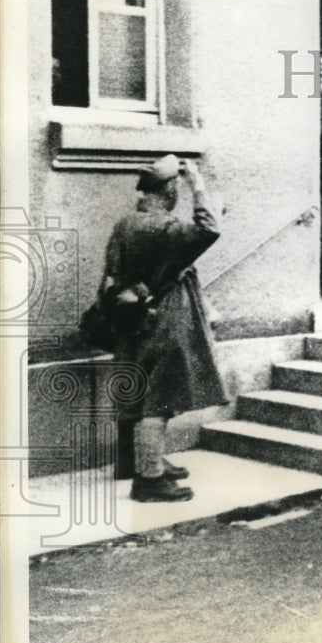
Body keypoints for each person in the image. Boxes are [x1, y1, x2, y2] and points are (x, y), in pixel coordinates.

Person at [101, 155, 228, 502]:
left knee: (139, 396)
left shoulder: (126, 223)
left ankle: (139, 463)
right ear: (170, 189)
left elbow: (113, 273)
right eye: (177, 188)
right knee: (159, 401)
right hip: (166, 320)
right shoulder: (165, 227)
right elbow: (210, 229)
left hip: (132, 320)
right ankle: (150, 480)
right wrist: (199, 185)